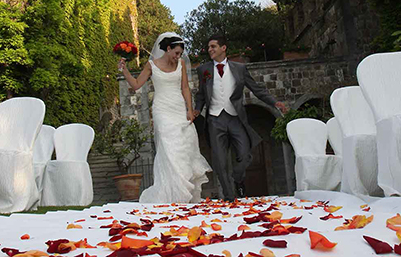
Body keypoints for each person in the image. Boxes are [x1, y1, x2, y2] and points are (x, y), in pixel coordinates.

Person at [118, 32, 211, 203]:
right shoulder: (151, 65)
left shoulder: (181, 64)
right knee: (169, 148)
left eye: (180, 54)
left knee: (185, 144)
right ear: (168, 49)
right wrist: (124, 70)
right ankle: (172, 193)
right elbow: (137, 84)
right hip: (162, 110)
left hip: (178, 109)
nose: (178, 57)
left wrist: (190, 110)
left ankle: (185, 192)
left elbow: (185, 88)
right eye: (176, 53)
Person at [194, 34, 287, 201]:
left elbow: (257, 89)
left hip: (235, 117)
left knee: (245, 155)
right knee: (220, 162)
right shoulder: (204, 70)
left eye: (213, 46)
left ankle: (238, 178)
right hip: (214, 119)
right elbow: (201, 94)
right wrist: (196, 110)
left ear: (223, 48)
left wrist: (274, 102)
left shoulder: (240, 68)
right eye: (208, 47)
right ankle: (229, 198)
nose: (210, 50)